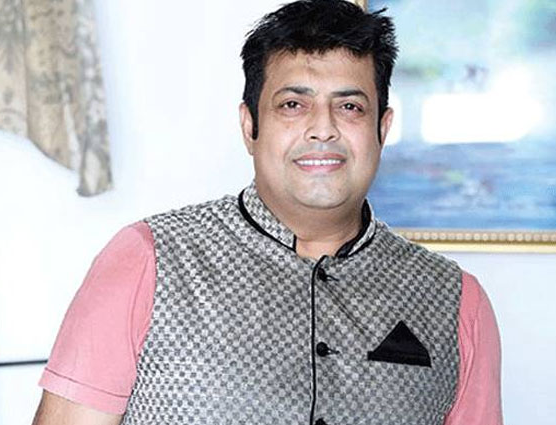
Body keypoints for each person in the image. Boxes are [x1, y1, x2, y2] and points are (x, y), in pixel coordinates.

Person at [32, 1, 503, 424]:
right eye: (293, 105)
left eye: (350, 106)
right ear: (249, 126)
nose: (323, 129)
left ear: (383, 128)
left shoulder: (455, 301)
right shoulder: (149, 261)